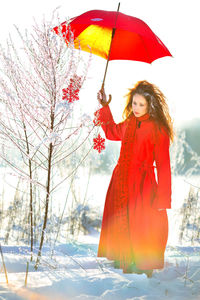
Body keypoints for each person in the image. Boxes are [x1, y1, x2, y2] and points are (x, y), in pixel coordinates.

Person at [95, 80, 173, 278]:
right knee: (122, 221)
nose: (136, 108)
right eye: (134, 103)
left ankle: (142, 266)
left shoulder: (157, 129)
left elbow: (163, 165)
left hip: (142, 184)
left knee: (143, 224)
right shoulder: (129, 123)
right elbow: (111, 131)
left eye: (141, 104)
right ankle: (125, 261)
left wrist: (163, 198)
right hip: (121, 180)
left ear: (150, 105)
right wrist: (104, 106)